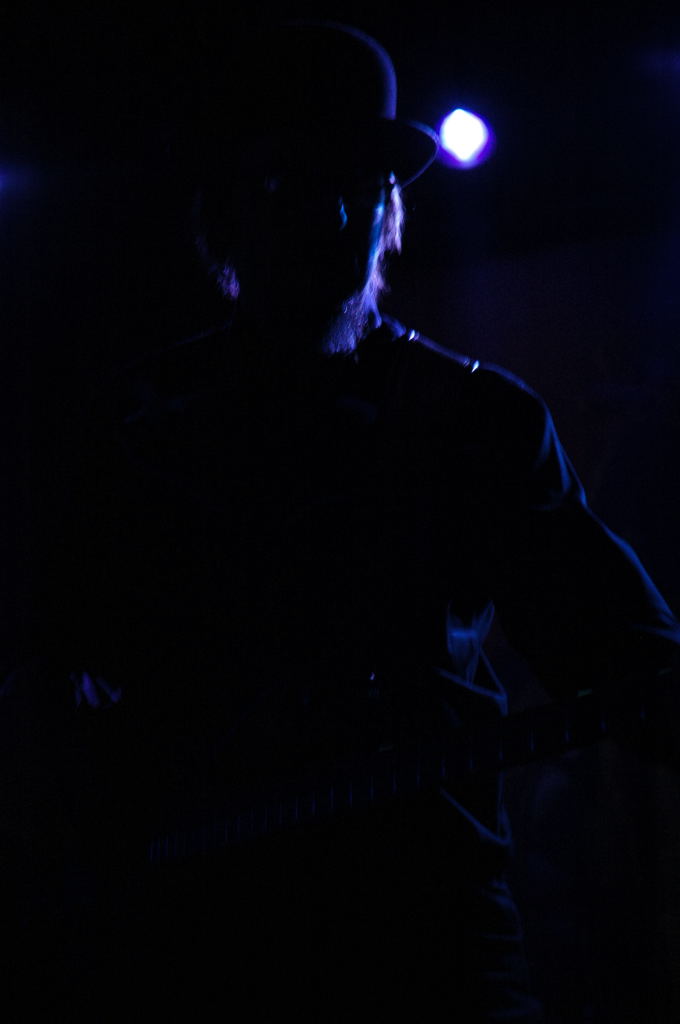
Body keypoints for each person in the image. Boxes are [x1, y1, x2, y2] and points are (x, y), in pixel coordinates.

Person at [4, 20, 679, 1020]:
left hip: (432, 933)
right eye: (289, 182)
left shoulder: (476, 420)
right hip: (191, 940)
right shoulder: (136, 431)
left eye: (361, 184)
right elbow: (48, 664)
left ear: (389, 211)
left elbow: (624, 656)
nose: (329, 214)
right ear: (228, 215)